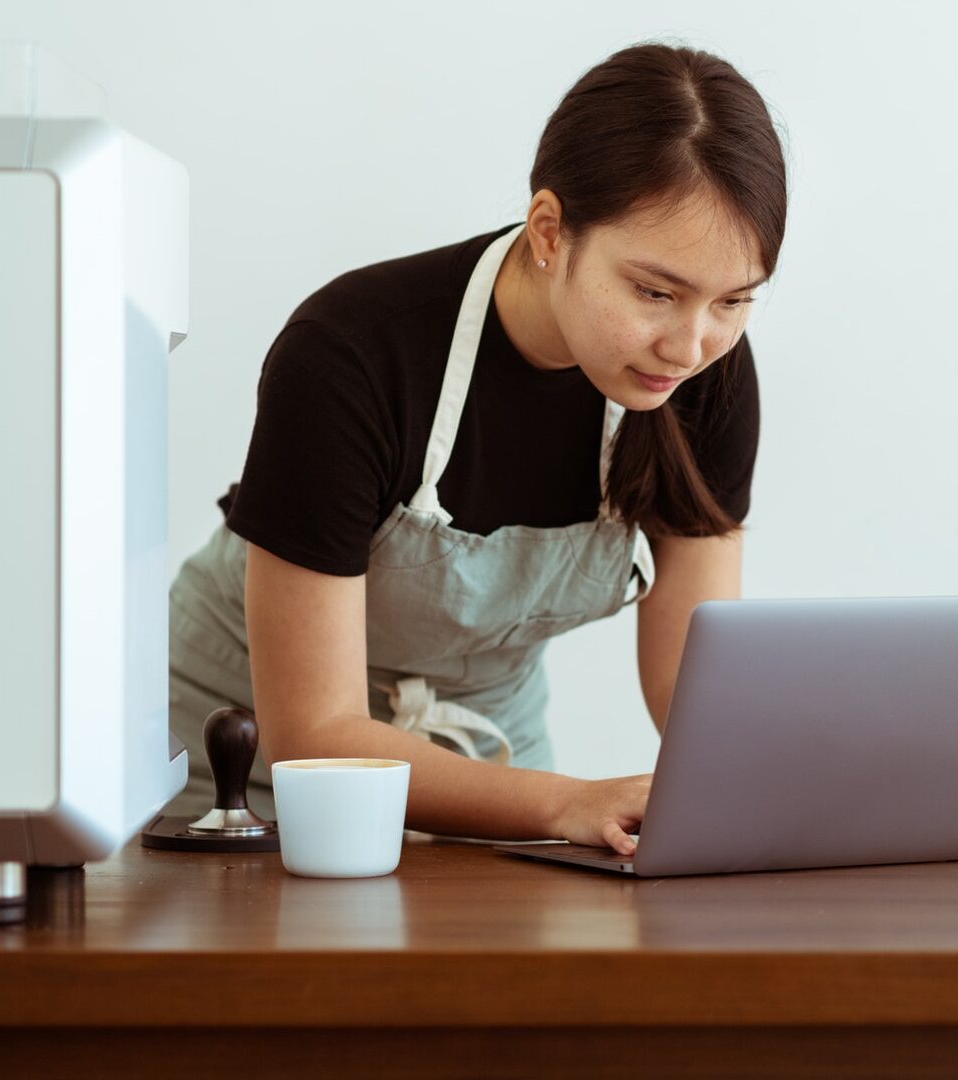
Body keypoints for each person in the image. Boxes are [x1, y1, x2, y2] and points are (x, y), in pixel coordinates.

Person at [162, 42, 786, 855]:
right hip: (248, 752)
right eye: (655, 292)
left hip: (492, 748)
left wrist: (794, 783)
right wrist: (565, 804)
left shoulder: (708, 377)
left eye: (734, 301)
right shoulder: (350, 354)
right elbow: (313, 730)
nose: (690, 344)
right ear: (551, 232)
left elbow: (686, 683)